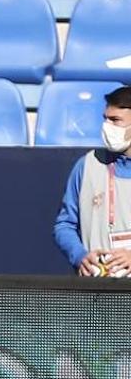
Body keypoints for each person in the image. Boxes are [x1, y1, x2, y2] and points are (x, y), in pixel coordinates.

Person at [54, 85, 131, 277]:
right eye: (105, 119)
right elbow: (65, 225)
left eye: (115, 120)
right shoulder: (87, 165)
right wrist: (80, 256)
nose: (106, 126)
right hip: (95, 290)